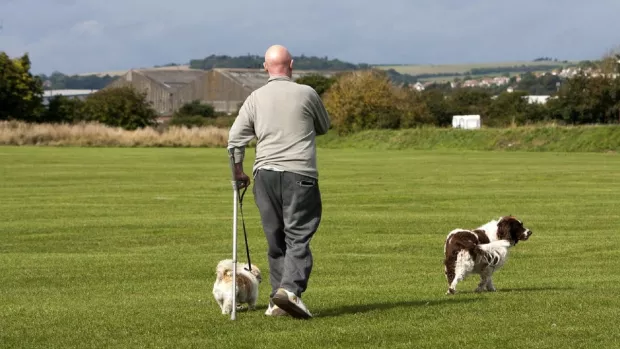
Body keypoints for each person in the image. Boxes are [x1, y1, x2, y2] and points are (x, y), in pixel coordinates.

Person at [227, 44, 330, 319]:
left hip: (264, 174)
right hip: (300, 174)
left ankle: (278, 299)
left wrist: (238, 171)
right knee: (298, 235)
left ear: (265, 67)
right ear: (291, 65)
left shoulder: (254, 98)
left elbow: (235, 138)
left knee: (276, 239)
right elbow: (324, 126)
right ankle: (290, 291)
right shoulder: (307, 93)